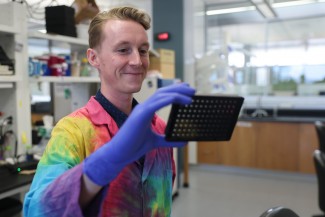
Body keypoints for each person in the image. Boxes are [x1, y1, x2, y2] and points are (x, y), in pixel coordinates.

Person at [24, 6, 196, 217]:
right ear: (94, 58)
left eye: (143, 50)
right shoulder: (73, 131)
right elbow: (38, 210)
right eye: (123, 50)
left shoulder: (158, 128)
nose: (137, 61)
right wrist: (107, 161)